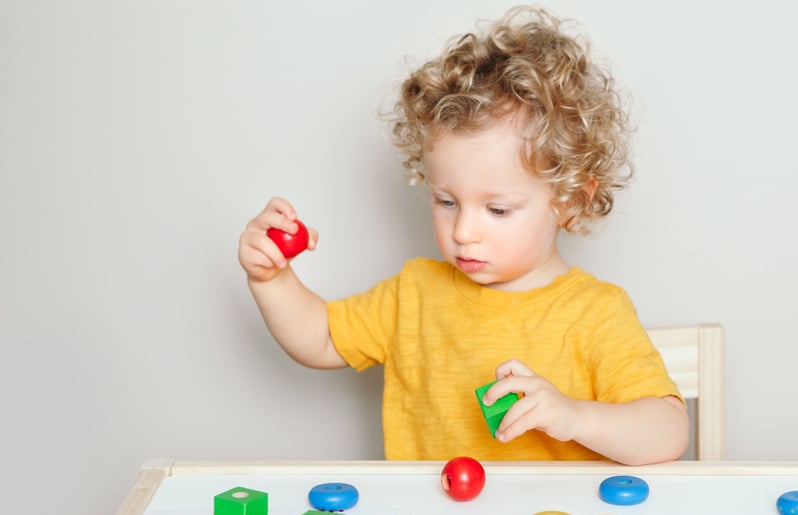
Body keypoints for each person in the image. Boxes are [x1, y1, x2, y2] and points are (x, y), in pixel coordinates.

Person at [237, 6, 688, 466]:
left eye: (497, 209)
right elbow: (319, 340)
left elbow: (668, 432)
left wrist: (573, 417)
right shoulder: (414, 294)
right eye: (446, 201)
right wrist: (272, 279)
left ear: (569, 201)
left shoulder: (595, 313)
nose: (463, 231)